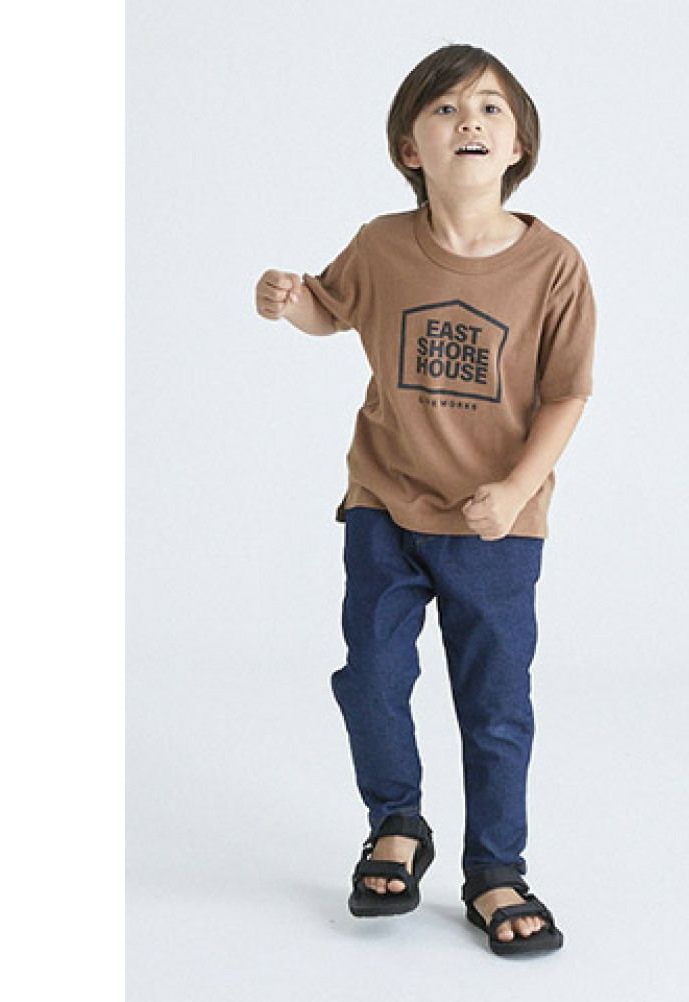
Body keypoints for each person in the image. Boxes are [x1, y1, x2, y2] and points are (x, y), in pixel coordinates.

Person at [255, 43, 596, 956]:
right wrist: (290, 303)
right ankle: (396, 823)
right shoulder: (381, 244)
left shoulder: (553, 265)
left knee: (494, 706)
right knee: (371, 676)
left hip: (496, 525)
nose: (468, 121)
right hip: (386, 503)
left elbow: (567, 392)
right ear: (411, 147)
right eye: (444, 109)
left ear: (518, 143)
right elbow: (332, 308)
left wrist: (516, 489)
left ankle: (496, 870)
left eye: (488, 107)